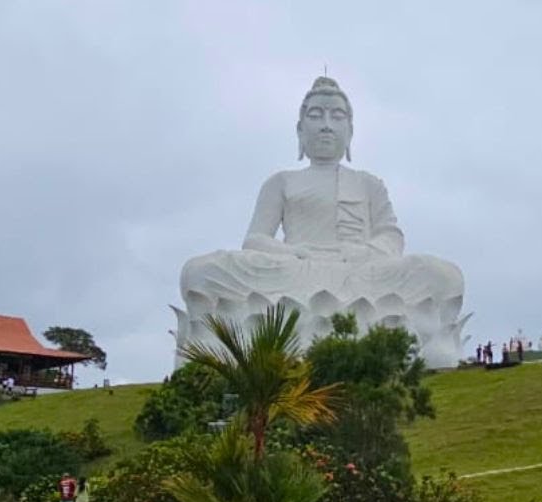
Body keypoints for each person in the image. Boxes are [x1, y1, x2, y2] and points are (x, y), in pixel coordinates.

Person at [177, 76, 466, 367]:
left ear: (349, 131)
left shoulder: (369, 184)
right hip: (295, 269)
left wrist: (363, 253)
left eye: (336, 116)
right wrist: (294, 253)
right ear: (301, 130)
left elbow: (391, 238)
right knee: (200, 271)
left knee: (442, 275)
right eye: (316, 116)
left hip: (360, 272)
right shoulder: (281, 181)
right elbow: (255, 240)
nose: (326, 124)